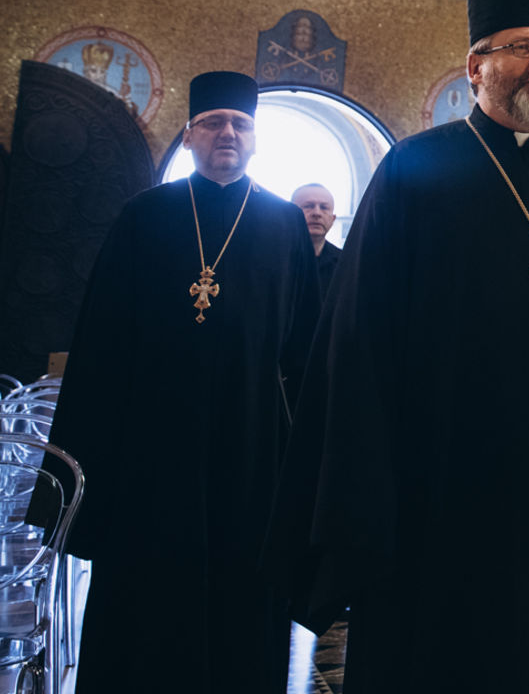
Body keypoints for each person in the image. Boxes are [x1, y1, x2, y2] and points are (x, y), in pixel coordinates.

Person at [266, 0, 529, 692]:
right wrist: (366, 491)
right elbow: (359, 341)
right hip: (442, 490)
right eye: (522, 47)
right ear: (475, 67)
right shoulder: (414, 171)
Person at [41, 70, 320, 694]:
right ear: (189, 135)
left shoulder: (283, 226)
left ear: (255, 139)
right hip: (151, 446)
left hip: (252, 452)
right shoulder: (144, 216)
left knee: (242, 596)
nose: (228, 133)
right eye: (214, 123)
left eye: (240, 125)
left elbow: (306, 357)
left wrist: (308, 467)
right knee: (146, 592)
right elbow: (101, 346)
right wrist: (76, 480)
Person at [292, 182, 343, 293]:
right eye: (308, 206)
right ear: (290, 215)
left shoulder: (344, 264)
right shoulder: (275, 259)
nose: (317, 213)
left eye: (324, 208)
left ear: (333, 219)